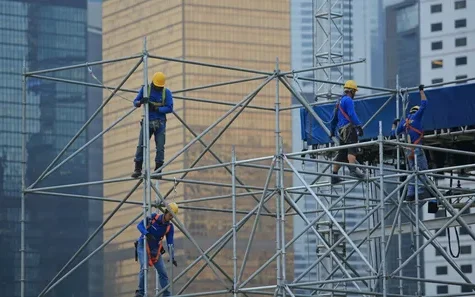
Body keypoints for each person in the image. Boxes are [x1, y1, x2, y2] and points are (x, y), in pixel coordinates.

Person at [131, 71, 174, 179]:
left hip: (160, 124)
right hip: (147, 123)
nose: (158, 88)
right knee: (141, 146)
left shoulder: (166, 92)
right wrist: (140, 102)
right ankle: (138, 168)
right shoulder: (146, 89)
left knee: (160, 148)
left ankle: (158, 170)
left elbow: (169, 108)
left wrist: (158, 109)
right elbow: (135, 102)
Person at [391, 84, 429, 201]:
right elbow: (424, 104)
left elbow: (394, 133)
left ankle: (410, 194)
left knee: (412, 172)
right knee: (422, 171)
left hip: (409, 151)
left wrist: (394, 124)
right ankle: (421, 192)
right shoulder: (416, 117)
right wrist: (421, 91)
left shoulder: (404, 122)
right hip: (417, 148)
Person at [134, 202, 179, 297]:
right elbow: (140, 225)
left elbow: (170, 243)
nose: (171, 218)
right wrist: (146, 233)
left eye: (173, 216)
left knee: (163, 273)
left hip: (155, 250)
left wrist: (172, 256)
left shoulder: (169, 227)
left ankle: (166, 294)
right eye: (170, 215)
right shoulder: (153, 218)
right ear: (166, 212)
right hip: (143, 245)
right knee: (144, 267)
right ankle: (140, 293)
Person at [330, 80, 366, 184]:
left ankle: (334, 175)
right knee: (352, 149)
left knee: (342, 153)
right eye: (354, 91)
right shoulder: (349, 100)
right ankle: (353, 170)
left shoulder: (339, 102)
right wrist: (359, 126)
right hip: (349, 129)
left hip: (341, 131)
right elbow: (351, 114)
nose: (355, 94)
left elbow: (334, 119)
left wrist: (332, 131)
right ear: (351, 91)